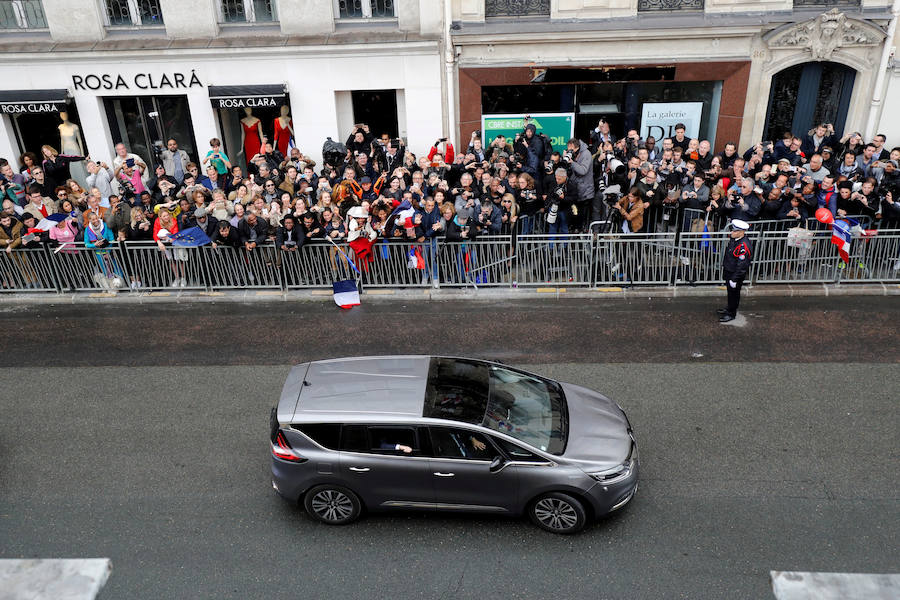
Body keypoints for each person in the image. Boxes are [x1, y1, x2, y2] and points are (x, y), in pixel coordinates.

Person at [718, 219, 753, 323]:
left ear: (742, 232)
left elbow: (742, 265)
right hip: (730, 270)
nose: (731, 233)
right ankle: (729, 308)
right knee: (730, 293)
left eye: (734, 231)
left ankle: (731, 313)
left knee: (734, 294)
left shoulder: (743, 246)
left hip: (735, 274)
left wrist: (734, 279)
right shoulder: (735, 239)